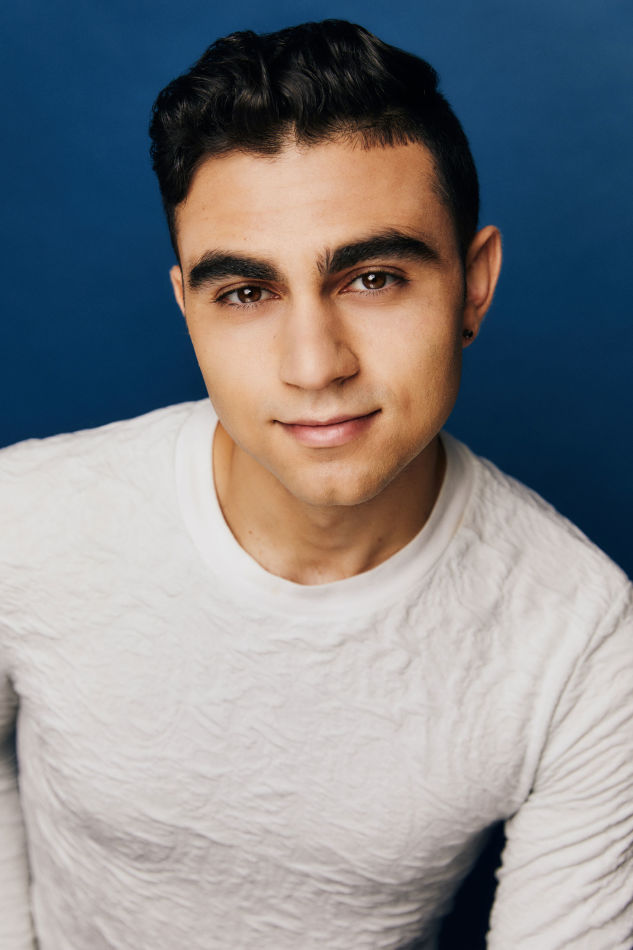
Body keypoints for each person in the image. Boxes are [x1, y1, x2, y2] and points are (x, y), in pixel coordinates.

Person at [1, 18, 631, 950]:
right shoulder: (23, 517)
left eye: (372, 278)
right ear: (187, 311)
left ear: (473, 285)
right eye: (246, 293)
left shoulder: (585, 643)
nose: (313, 365)